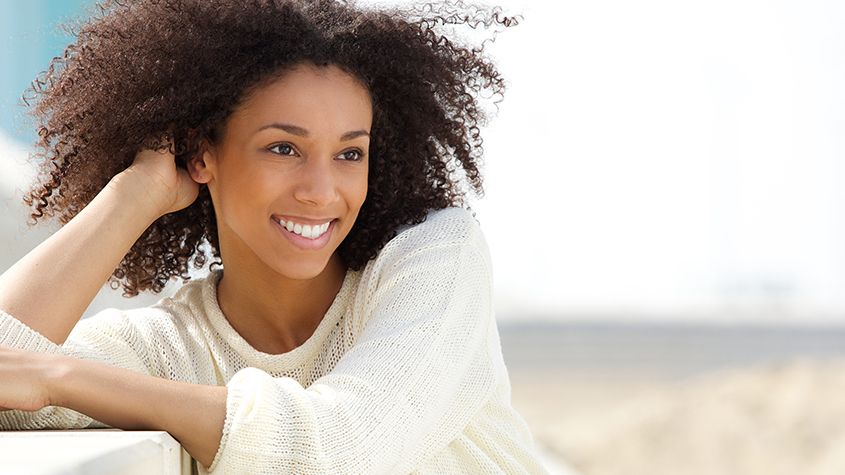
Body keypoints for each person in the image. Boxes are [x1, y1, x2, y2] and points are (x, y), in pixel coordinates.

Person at [0, 0, 548, 473]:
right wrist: (134, 195)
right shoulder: (171, 349)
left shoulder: (432, 260)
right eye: (284, 148)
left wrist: (61, 375)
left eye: (349, 154)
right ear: (201, 153)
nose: (320, 190)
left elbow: (339, 452)